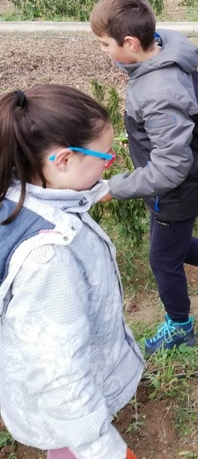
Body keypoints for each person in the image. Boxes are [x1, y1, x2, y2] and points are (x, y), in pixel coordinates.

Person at [90, 0, 198, 356]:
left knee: (163, 258)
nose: (103, 52)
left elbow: (171, 165)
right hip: (188, 176)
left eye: (104, 44)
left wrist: (115, 187)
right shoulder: (164, 48)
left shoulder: (158, 92)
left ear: (130, 42)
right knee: (171, 245)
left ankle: (180, 325)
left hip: (177, 187)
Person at [0, 85, 144, 459]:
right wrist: (103, 448)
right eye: (105, 158)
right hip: (66, 419)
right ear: (64, 160)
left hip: (51, 411)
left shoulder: (20, 198)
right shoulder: (51, 259)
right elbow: (60, 373)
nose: (109, 163)